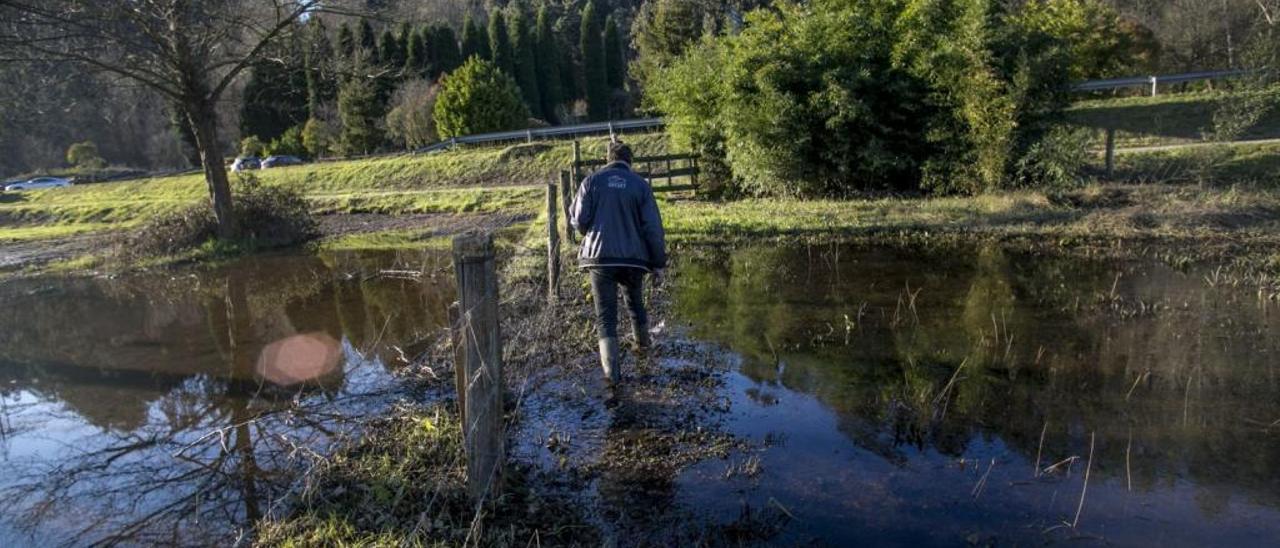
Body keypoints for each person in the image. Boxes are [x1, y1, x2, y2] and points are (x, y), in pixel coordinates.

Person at [570, 140, 667, 385]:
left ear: (607, 159)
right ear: (629, 161)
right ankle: (643, 349)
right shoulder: (640, 186)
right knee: (635, 305)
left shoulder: (590, 182)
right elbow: (653, 228)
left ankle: (612, 377)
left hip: (600, 258)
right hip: (634, 259)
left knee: (605, 317)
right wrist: (658, 263)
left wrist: (589, 231)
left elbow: (579, 221)